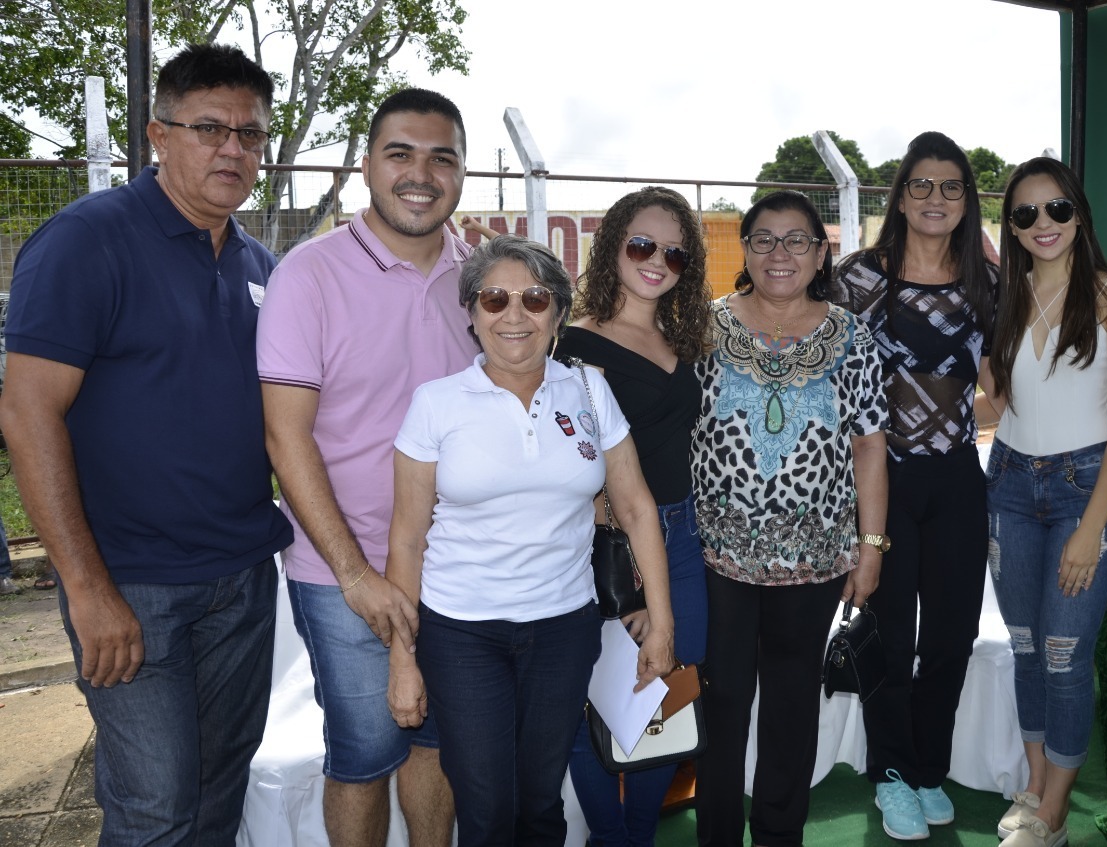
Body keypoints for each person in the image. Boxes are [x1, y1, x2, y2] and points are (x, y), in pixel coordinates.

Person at [0, 43, 293, 844]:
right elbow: (27, 415)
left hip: (240, 579)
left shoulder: (261, 264)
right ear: (157, 135)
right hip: (132, 584)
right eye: (209, 128)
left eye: (250, 134)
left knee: (218, 792)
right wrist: (88, 589)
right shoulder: (86, 241)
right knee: (154, 807)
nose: (232, 148)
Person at [384, 234, 677, 846]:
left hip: (564, 629)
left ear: (559, 314)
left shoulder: (591, 393)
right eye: (494, 299)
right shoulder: (435, 404)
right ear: (471, 313)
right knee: (488, 809)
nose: (514, 315)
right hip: (461, 631)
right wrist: (402, 658)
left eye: (535, 299)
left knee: (541, 801)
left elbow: (636, 507)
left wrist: (664, 625)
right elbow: (407, 539)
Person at [257, 88, 470, 847]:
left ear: (462, 171)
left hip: (456, 571)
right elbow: (287, 439)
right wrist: (355, 575)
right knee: (364, 753)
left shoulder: (481, 279)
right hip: (342, 570)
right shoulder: (307, 275)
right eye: (400, 154)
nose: (421, 173)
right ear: (364, 167)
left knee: (437, 740)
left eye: (441, 156)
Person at [692, 190, 889, 847]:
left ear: (821, 251)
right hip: (716, 556)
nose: (781, 253)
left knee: (791, 704)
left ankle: (779, 834)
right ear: (744, 249)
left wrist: (871, 545)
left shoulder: (852, 333)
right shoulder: (702, 325)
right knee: (719, 704)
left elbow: (869, 444)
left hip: (814, 556)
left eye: (797, 239)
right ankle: (717, 834)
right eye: (765, 239)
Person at [829, 131, 998, 841]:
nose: (935, 198)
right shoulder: (857, 278)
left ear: (967, 199)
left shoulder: (986, 281)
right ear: (899, 195)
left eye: (950, 186)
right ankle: (891, 775)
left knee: (954, 635)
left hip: (959, 475)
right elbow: (823, 378)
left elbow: (998, 388)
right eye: (921, 185)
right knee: (891, 635)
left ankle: (929, 768)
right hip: (881, 479)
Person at [985, 157, 1107, 847]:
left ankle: (1054, 810)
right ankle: (1034, 782)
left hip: (1087, 486)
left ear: (1078, 214)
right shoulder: (1006, 295)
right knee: (1025, 647)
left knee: (1063, 654)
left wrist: (1093, 524)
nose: (1042, 224)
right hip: (1011, 485)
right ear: (1012, 228)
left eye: (1056, 209)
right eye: (1025, 214)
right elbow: (990, 402)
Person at [554, 186, 712, 846]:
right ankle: (612, 836)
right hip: (605, 546)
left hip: (684, 535)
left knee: (671, 692)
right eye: (642, 244)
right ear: (612, 243)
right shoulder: (569, 344)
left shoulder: (681, 335)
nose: (657, 261)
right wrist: (620, 556)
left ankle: (635, 834)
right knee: (577, 704)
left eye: (674, 252)